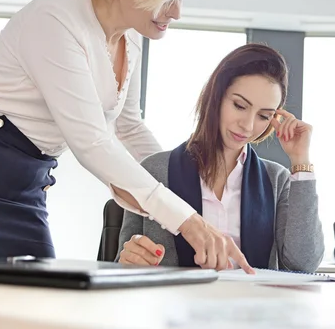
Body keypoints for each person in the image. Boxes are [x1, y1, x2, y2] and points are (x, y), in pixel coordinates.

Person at [0, 0, 252, 273]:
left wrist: (189, 191)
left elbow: (128, 127)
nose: (177, 12)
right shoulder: (53, 20)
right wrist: (187, 220)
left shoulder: (131, 37)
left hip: (27, 187)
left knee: (35, 306)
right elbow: (93, 143)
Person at [116, 43, 324, 272]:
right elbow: (120, 265)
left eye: (264, 116)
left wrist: (300, 160)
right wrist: (130, 258)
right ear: (216, 95)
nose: (248, 125)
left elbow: (304, 263)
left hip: (254, 305)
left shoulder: (277, 179)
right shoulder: (154, 171)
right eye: (239, 105)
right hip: (175, 304)